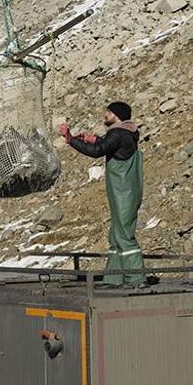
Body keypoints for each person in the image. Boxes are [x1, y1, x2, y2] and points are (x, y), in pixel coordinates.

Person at [58, 101, 146, 289]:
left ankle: (136, 278)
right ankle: (114, 278)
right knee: (116, 235)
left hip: (123, 191)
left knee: (124, 235)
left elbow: (98, 152)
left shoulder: (118, 133)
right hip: (124, 190)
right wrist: (95, 139)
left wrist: (71, 140)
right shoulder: (127, 132)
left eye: (109, 112)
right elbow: (108, 145)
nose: (105, 115)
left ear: (117, 114)